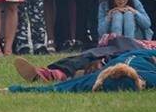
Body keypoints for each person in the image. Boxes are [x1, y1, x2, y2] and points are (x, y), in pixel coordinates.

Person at [6, 48, 156, 93]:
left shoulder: (122, 79)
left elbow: (70, 87)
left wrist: (17, 90)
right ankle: (52, 73)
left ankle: (53, 75)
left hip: (116, 67)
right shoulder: (143, 53)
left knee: (83, 78)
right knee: (90, 55)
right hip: (115, 54)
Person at [12, 36, 148, 83]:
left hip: (136, 53)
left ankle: (55, 75)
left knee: (105, 58)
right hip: (125, 45)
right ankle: (49, 73)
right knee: (90, 54)